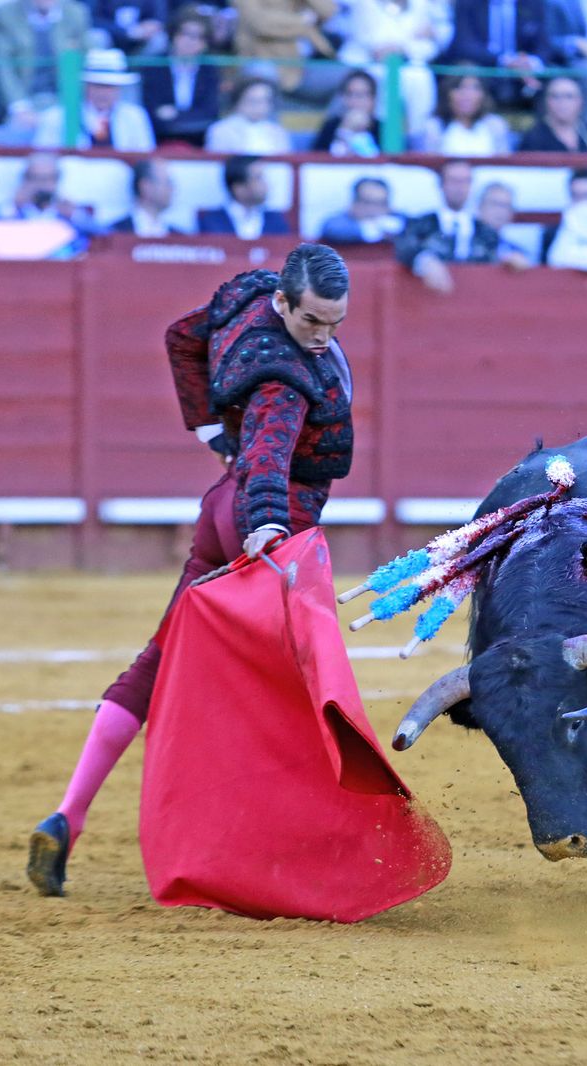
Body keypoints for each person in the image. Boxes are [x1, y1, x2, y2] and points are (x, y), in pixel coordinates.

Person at [26, 244, 357, 898]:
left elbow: (182, 337)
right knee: (294, 693)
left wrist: (212, 435)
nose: (322, 337)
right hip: (273, 525)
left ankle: (68, 815)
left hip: (221, 510)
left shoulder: (246, 298)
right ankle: (288, 848)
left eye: (335, 323)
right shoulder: (284, 377)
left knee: (156, 663)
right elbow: (269, 453)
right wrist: (269, 524)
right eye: (312, 321)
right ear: (284, 302)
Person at [337, 0, 448, 136]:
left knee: (421, 75)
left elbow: (430, 47)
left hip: (406, 63)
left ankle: (417, 134)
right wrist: (409, 43)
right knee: (385, 77)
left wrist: (403, 48)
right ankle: (382, 133)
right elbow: (376, 45)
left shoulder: (421, 4)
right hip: (367, 64)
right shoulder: (365, 4)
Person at [395, 158, 503, 293]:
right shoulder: (420, 225)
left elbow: (493, 262)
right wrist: (425, 260)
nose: (460, 188)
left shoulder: (486, 231)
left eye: (465, 181)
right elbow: (404, 248)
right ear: (441, 184)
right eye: (454, 181)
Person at [0, 0, 93, 129]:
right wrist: (20, 107)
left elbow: (87, 62)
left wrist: (72, 104)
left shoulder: (76, 13)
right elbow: (3, 66)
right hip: (25, 102)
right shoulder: (6, 14)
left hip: (66, 100)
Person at [34, 49, 156, 151]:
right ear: (86, 86)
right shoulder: (56, 117)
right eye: (97, 86)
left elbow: (145, 155)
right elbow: (43, 156)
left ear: (119, 89)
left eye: (109, 87)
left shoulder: (135, 116)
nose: (103, 93)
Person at [439, 0, 550, 106]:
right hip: (483, 69)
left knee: (555, 83)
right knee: (466, 76)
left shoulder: (534, 3)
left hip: (526, 74)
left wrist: (531, 62)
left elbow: (545, 44)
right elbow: (464, 44)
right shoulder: (468, 2)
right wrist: (506, 61)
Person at [232, 0, 343, 101]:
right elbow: (259, 23)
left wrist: (295, 22)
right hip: (266, 62)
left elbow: (329, 11)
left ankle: (336, 118)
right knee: (262, 82)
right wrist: (302, 20)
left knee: (349, 77)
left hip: (306, 64)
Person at [141, 9, 221, 145]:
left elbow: (210, 112)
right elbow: (151, 110)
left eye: (198, 37)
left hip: (199, 140)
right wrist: (188, 116)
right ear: (174, 35)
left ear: (205, 43)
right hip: (159, 139)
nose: (190, 41)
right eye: (186, 34)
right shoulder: (154, 66)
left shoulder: (210, 70)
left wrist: (176, 114)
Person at [0, 151, 101, 234]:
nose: (42, 184)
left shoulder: (68, 210)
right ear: (26, 179)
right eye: (35, 178)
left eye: (48, 179)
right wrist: (12, 206)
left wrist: (74, 214)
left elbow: (101, 233)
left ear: (57, 180)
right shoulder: (12, 209)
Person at [420, 73, 514, 155]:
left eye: (474, 88)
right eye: (460, 87)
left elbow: (503, 162)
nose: (467, 95)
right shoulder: (434, 127)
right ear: (447, 93)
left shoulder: (495, 125)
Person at [198, 155, 291, 238]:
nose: (266, 184)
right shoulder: (212, 222)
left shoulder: (276, 221)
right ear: (239, 188)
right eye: (258, 178)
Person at [517, 75, 587, 152]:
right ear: (546, 101)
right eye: (555, 96)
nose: (562, 102)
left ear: (580, 101)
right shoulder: (532, 139)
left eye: (569, 96)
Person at [206, 77, 294, 154]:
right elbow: (217, 164)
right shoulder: (220, 130)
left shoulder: (278, 132)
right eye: (254, 101)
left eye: (265, 101)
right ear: (238, 101)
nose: (261, 107)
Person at [311, 69, 384, 156]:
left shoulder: (383, 129)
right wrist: (345, 130)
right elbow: (317, 158)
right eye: (349, 94)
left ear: (373, 99)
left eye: (360, 95)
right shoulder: (331, 126)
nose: (354, 101)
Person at [112, 158, 188, 236]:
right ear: (145, 186)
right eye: (167, 183)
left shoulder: (179, 236)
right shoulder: (114, 233)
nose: (171, 189)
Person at [319, 176, 404, 244]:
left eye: (381, 204)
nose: (373, 210)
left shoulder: (398, 219)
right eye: (367, 203)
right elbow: (332, 229)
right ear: (354, 204)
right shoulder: (337, 223)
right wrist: (375, 231)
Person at [475, 181, 535, 266]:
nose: (500, 211)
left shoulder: (517, 252)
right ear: (480, 207)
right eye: (495, 204)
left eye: (506, 206)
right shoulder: (464, 243)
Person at [90, 0, 167, 55]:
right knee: (96, 36)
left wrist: (150, 26)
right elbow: (93, 19)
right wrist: (125, 32)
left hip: (140, 39)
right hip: (112, 36)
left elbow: (159, 18)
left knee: (159, 39)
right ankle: (103, 69)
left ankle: (142, 70)